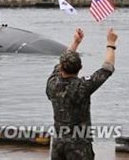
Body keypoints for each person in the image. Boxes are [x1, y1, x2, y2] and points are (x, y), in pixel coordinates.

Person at [46, 28, 118, 160]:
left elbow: (62, 62)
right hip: (79, 145)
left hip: (58, 143)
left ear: (61, 68)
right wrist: (111, 43)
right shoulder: (83, 86)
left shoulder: (52, 83)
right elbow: (107, 68)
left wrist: (75, 42)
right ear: (80, 68)